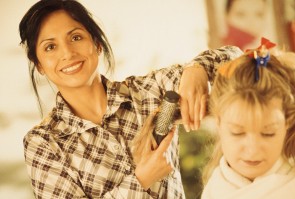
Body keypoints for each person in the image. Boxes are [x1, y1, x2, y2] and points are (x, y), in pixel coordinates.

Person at [19, 0, 242, 198]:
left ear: (97, 44)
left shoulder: (147, 92)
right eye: (50, 47)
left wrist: (198, 69)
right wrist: (141, 179)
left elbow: (236, 58)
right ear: (39, 65)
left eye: (76, 37)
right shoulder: (43, 143)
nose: (67, 53)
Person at [201, 39, 295, 199]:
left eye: (268, 133)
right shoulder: (214, 190)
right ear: (218, 123)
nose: (253, 149)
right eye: (237, 132)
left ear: (287, 122)